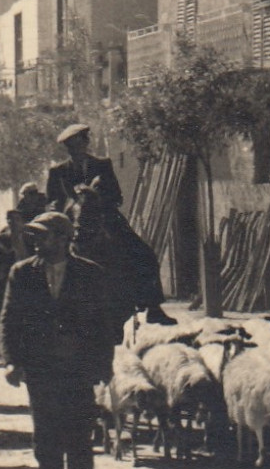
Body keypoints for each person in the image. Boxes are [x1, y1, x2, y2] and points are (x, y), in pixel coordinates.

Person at [0, 211, 123, 469]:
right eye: (36, 236)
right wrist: (12, 361)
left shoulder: (91, 274)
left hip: (78, 368)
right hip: (40, 368)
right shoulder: (22, 273)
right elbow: (9, 320)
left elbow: (102, 325)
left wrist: (104, 363)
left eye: (45, 235)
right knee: (46, 438)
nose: (38, 242)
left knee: (80, 437)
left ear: (65, 239)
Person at [46, 123, 175, 325]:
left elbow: (117, 196)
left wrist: (96, 196)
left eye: (78, 144)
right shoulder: (58, 171)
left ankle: (153, 306)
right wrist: (67, 207)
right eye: (70, 147)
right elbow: (52, 200)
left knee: (144, 254)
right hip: (70, 221)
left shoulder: (103, 164)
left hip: (104, 217)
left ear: (85, 143)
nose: (75, 150)